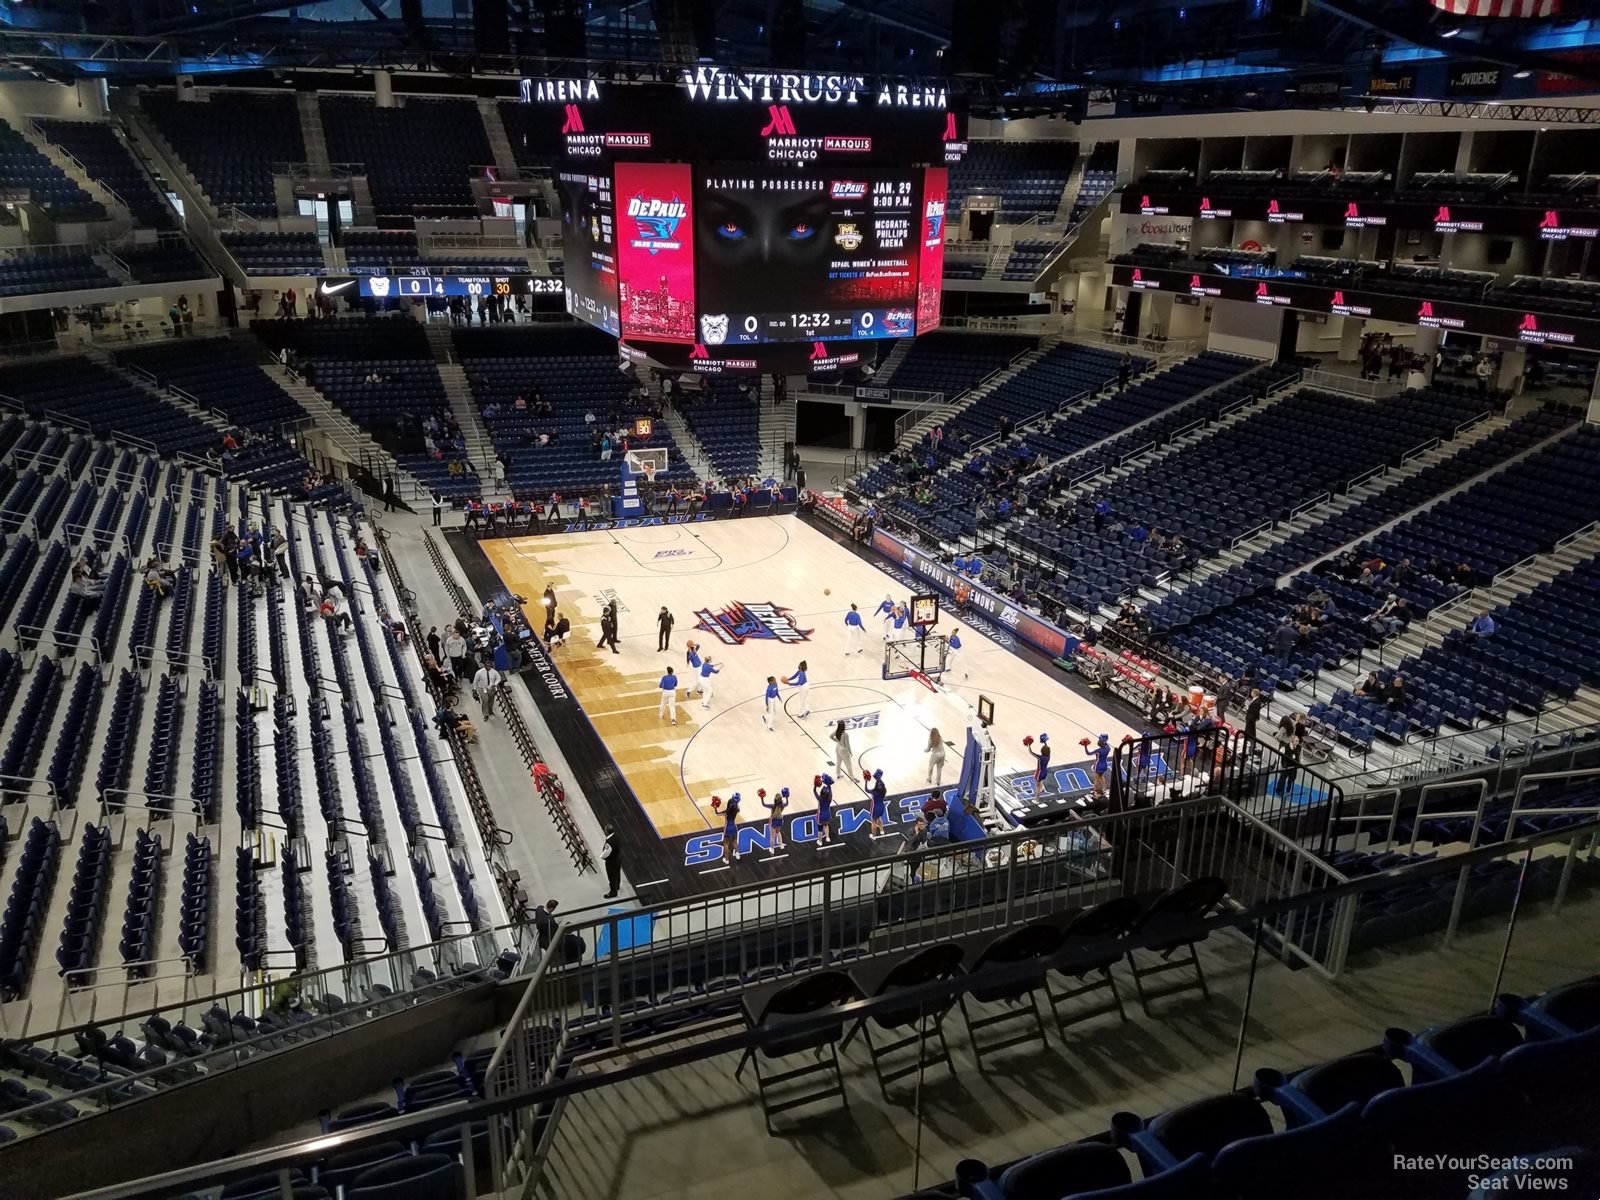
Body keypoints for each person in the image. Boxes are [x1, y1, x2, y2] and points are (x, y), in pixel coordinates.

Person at [760, 787, 789, 852]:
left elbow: (764, 804)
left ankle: (772, 849)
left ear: (775, 799)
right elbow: (787, 803)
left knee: (772, 836)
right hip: (780, 820)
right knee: (778, 832)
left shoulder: (773, 806)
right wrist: (787, 797)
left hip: (774, 821)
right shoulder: (783, 805)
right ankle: (781, 845)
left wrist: (762, 798)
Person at [813, 774, 835, 845]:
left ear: (821, 793)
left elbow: (814, 792)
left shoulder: (820, 799)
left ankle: (820, 841)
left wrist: (815, 786)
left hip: (821, 815)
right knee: (826, 825)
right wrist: (828, 784)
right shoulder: (829, 798)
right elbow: (829, 790)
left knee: (820, 827)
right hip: (827, 814)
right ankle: (827, 837)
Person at [721, 792, 743, 862]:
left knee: (726, 843)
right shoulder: (736, 810)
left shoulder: (726, 812)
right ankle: (737, 854)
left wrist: (715, 807)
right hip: (734, 827)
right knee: (734, 841)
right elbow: (738, 809)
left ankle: (727, 860)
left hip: (727, 828)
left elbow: (717, 813)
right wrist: (736, 802)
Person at [1090, 733, 1112, 800]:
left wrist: (1085, 746)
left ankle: (1096, 792)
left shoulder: (1099, 750)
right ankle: (1105, 790)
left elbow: (1088, 753)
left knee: (1096, 778)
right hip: (1104, 764)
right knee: (1101, 777)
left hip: (1099, 765)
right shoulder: (1108, 748)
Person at [602, 824, 622, 899]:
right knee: (617, 873)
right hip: (618, 858)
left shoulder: (609, 842)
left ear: (606, 832)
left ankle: (613, 892)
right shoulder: (616, 836)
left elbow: (606, 853)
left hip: (611, 861)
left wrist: (602, 857)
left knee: (611, 876)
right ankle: (617, 886)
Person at [867, 769, 889, 835]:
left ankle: (873, 835)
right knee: (879, 817)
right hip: (881, 805)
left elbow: (867, 790)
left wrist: (866, 781)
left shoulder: (877, 789)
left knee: (873, 821)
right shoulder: (882, 787)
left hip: (875, 806)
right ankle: (882, 831)